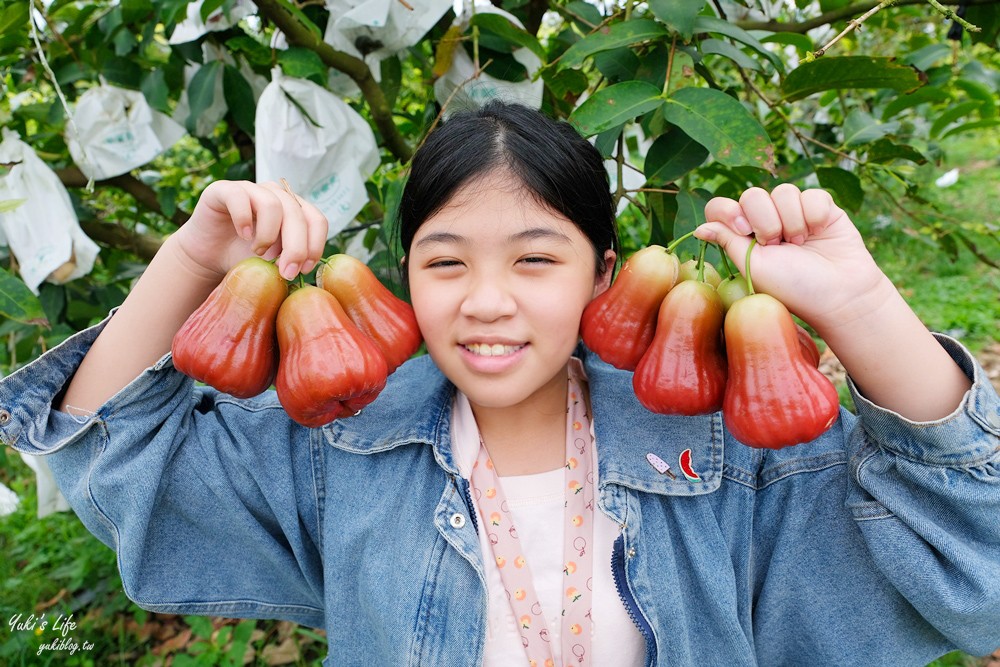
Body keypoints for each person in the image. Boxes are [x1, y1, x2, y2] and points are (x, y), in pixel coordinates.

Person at [1, 101, 999, 667]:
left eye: (534, 260)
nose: (484, 301)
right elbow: (114, 455)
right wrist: (192, 257)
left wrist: (861, 304)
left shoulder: (719, 446)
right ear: (401, 281)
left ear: (603, 277)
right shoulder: (344, 451)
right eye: (444, 262)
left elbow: (977, 573)